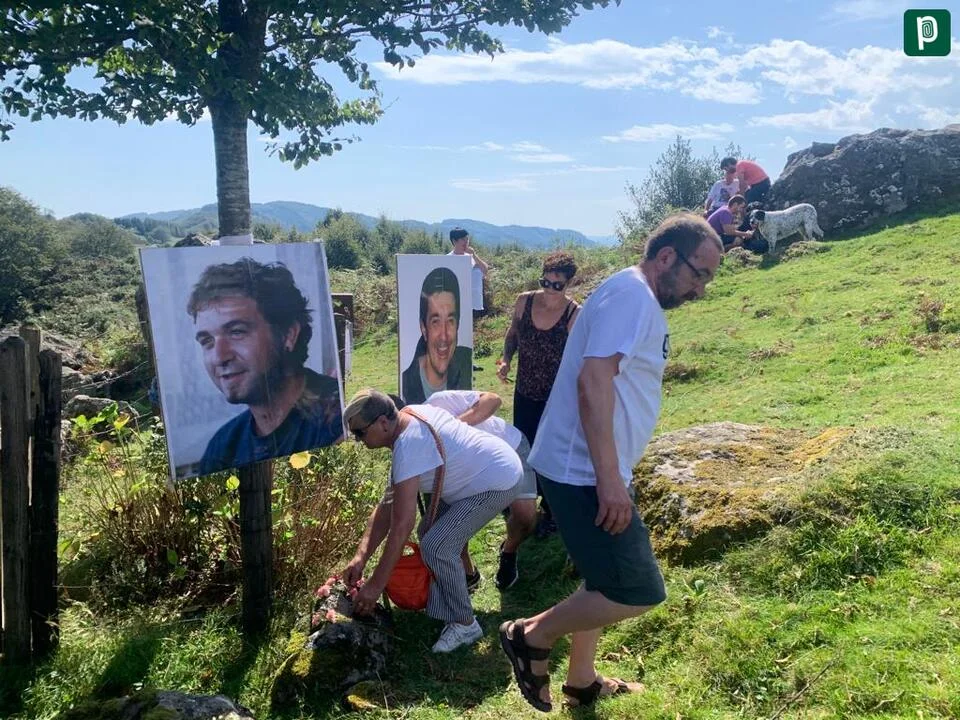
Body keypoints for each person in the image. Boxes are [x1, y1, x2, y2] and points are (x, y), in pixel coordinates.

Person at [498, 214, 723, 711]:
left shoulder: (631, 292)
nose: (700, 290)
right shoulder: (633, 298)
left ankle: (581, 680)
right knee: (638, 588)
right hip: (585, 471)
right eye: (699, 274)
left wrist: (613, 473)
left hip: (596, 467)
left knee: (601, 576)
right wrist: (608, 482)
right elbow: (593, 381)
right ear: (667, 257)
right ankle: (530, 635)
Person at [342, 389, 521, 653]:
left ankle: (465, 624)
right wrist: (360, 558)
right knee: (429, 534)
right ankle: (448, 605)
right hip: (477, 476)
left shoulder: (408, 446)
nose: (358, 440)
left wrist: (375, 585)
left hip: (496, 480)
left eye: (360, 433)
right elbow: (387, 507)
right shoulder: (408, 421)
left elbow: (401, 526)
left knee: (437, 545)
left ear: (383, 423)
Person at [188, 258, 343, 475]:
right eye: (207, 341)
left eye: (237, 332)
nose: (219, 357)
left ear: (288, 334)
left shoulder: (338, 418)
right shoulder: (222, 447)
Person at [393, 390, 538, 591]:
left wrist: (455, 428)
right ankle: (469, 574)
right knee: (448, 526)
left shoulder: (436, 402)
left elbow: (493, 399)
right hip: (467, 472)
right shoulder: (410, 448)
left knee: (525, 517)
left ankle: (509, 551)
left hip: (509, 447)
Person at [496, 251, 580, 538]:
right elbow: (513, 334)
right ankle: (521, 502)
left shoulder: (574, 314)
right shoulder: (525, 301)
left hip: (555, 397)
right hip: (525, 390)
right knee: (523, 447)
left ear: (568, 283)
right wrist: (506, 360)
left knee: (551, 453)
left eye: (558, 285)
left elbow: (579, 357)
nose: (550, 289)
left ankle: (551, 510)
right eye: (546, 282)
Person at [401, 266, 473, 403]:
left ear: (458, 324)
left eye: (450, 321)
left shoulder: (466, 364)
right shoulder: (406, 384)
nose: (444, 336)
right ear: (423, 328)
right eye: (435, 322)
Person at [448, 227, 489, 318]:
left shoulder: (471, 257)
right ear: (454, 241)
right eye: (463, 239)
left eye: (467, 239)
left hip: (472, 303)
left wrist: (474, 255)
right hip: (455, 303)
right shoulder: (448, 259)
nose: (466, 242)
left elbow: (485, 270)